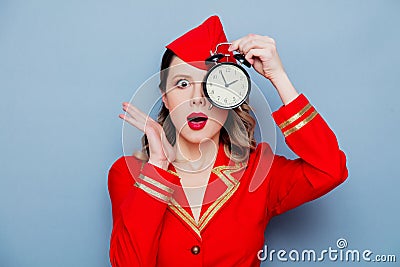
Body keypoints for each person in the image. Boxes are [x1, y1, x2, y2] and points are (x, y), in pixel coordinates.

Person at [107, 15, 348, 267]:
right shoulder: (128, 174)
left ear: (230, 96)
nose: (196, 99)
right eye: (182, 83)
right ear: (165, 98)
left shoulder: (259, 173)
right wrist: (157, 166)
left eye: (212, 84)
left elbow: (330, 170)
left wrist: (278, 77)